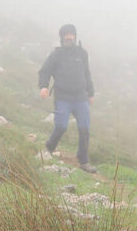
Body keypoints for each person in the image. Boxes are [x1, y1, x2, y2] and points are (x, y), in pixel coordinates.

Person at [38, 24, 97, 173]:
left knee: (84, 128)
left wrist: (91, 93)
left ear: (75, 37)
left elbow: (87, 74)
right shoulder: (56, 54)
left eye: (71, 35)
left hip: (81, 97)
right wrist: (43, 87)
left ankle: (83, 161)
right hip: (63, 97)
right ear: (61, 38)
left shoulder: (82, 54)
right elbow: (44, 71)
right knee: (61, 126)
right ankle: (49, 148)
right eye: (66, 35)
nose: (68, 37)